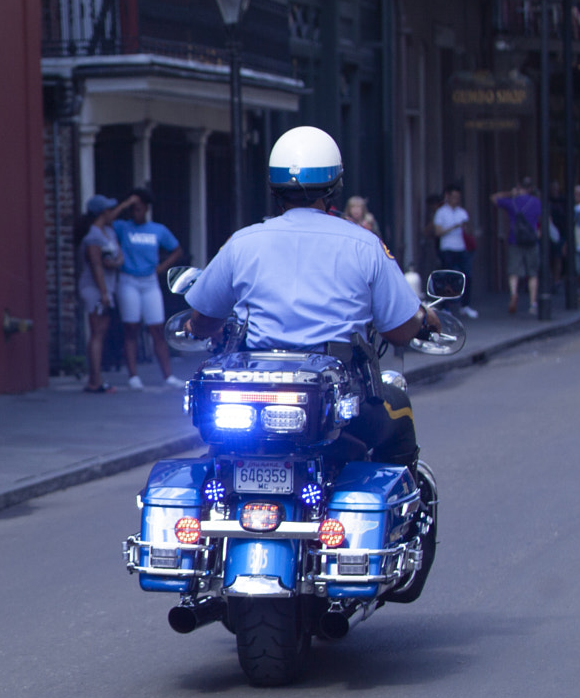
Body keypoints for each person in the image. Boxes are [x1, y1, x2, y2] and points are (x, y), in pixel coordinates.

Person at [183, 126, 436, 467]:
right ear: (334, 186)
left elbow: (202, 322)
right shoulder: (364, 244)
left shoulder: (242, 242)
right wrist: (423, 321)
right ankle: (401, 516)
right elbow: (400, 331)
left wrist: (197, 326)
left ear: (274, 186)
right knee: (400, 411)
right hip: (340, 405)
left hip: (251, 405)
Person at [110, 187, 188, 389]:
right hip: (128, 280)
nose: (135, 211)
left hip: (149, 281)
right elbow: (107, 221)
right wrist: (126, 203)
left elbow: (177, 249)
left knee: (156, 328)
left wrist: (162, 267)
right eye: (132, 208)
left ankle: (168, 375)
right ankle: (133, 375)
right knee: (131, 327)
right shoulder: (123, 227)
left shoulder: (157, 230)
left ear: (145, 208)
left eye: (138, 207)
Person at [75, 194, 121, 392]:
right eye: (110, 210)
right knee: (97, 334)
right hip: (95, 289)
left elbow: (119, 258)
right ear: (103, 213)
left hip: (107, 287)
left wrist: (115, 263)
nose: (113, 213)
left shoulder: (109, 233)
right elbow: (96, 266)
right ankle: (96, 380)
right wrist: (104, 293)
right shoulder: (92, 235)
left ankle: (95, 378)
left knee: (100, 333)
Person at [492, 176, 544, 316]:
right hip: (532, 240)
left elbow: (494, 198)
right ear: (530, 188)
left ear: (519, 187)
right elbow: (542, 219)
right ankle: (533, 303)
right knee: (533, 273)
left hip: (515, 240)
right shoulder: (536, 202)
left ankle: (514, 293)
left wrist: (510, 193)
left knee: (513, 271)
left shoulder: (512, 202)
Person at [430, 184, 480, 319]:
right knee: (448, 278)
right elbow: (438, 232)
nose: (456, 200)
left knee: (466, 276)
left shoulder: (462, 212)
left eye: (458, 197)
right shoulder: (441, 212)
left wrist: (466, 228)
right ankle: (445, 307)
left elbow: (468, 232)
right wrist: (454, 226)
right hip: (447, 249)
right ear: (448, 197)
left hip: (461, 248)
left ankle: (465, 306)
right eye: (453, 197)